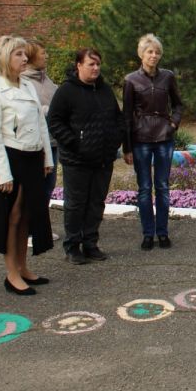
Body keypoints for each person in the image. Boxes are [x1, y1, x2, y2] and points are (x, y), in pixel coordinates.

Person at [0, 35, 55, 296]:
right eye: (18, 55)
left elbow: (41, 125)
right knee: (12, 216)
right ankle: (11, 273)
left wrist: (47, 158)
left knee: (27, 215)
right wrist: (3, 174)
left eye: (25, 54)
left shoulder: (28, 86)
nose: (25, 59)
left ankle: (23, 267)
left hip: (33, 157)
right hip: (13, 159)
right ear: (4, 57)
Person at [48, 48, 123, 264]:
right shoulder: (66, 91)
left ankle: (90, 243)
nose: (96, 68)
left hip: (102, 158)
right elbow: (54, 121)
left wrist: (115, 140)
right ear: (78, 65)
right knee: (75, 204)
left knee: (96, 202)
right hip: (77, 160)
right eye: (91, 64)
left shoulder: (104, 90)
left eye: (98, 64)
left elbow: (118, 117)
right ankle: (72, 246)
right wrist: (74, 142)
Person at [123, 34, 183, 251]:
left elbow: (178, 104)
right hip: (141, 140)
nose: (154, 56)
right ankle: (148, 233)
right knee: (145, 188)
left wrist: (174, 124)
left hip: (164, 138)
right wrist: (127, 146)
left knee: (163, 186)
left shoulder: (168, 77)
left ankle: (162, 232)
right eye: (150, 52)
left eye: (157, 52)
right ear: (141, 54)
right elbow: (127, 115)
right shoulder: (131, 80)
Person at [22, 39, 60, 242]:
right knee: (35, 188)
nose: (46, 56)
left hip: (53, 140)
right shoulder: (24, 82)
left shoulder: (47, 80)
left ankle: (40, 227)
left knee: (48, 186)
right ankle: (29, 230)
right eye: (42, 52)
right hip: (34, 144)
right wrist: (50, 111)